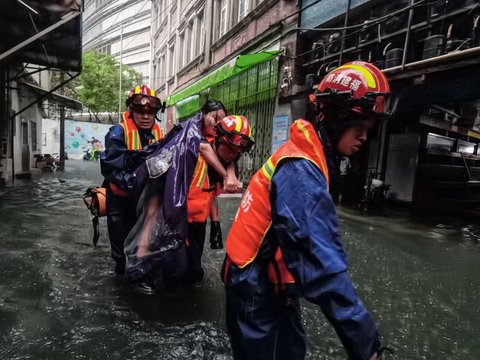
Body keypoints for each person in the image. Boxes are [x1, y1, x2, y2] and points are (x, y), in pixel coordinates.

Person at [222, 61, 397, 360]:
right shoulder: (300, 170)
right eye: (360, 126)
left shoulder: (306, 156)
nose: (365, 137)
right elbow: (322, 266)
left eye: (370, 128)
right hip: (257, 288)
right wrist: (367, 348)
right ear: (338, 118)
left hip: (261, 280)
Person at [100, 84, 164, 274]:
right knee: (121, 252)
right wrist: (132, 181)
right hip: (119, 200)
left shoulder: (159, 133)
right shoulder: (117, 132)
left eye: (150, 112)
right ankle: (123, 284)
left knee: (143, 246)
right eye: (140, 111)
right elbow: (109, 167)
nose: (145, 116)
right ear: (131, 110)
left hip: (144, 200)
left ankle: (138, 275)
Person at [186, 115, 254, 282]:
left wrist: (215, 224)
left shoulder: (229, 161)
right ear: (219, 139)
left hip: (198, 223)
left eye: (236, 152)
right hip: (178, 220)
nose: (232, 155)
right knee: (177, 271)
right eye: (229, 149)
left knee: (194, 271)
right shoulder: (193, 154)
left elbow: (210, 193)